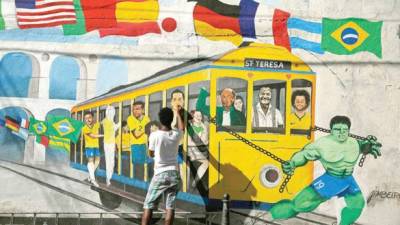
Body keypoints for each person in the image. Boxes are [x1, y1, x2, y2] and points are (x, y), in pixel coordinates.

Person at [270, 115, 382, 225]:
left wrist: (368, 147)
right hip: (330, 180)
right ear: (331, 130)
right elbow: (304, 155)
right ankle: (274, 213)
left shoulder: (354, 143)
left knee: (357, 205)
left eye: (345, 130)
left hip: (348, 181)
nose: (341, 132)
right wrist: (293, 163)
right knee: (300, 205)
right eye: (337, 129)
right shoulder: (322, 144)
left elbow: (364, 147)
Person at [141, 107, 184, 225]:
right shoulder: (176, 134)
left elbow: (150, 154)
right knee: (170, 206)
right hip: (174, 174)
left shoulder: (154, 135)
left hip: (160, 174)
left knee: (148, 204)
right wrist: (179, 114)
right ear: (171, 120)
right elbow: (182, 128)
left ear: (160, 120)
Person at [127, 101, 150, 179]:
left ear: (143, 110)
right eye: (133, 109)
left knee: (146, 166)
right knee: (138, 167)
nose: (135, 111)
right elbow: (136, 134)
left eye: (137, 109)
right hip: (135, 146)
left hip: (145, 145)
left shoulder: (147, 118)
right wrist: (146, 127)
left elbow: (149, 133)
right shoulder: (130, 119)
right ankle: (137, 185)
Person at [187, 110, 209, 188]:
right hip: (193, 150)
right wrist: (199, 145)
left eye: (200, 116)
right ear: (193, 117)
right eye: (196, 116)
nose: (198, 117)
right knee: (206, 163)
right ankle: (196, 181)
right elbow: (188, 142)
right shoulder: (190, 128)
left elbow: (206, 141)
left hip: (203, 150)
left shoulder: (203, 126)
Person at [82, 112, 103, 187]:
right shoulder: (84, 128)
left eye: (89, 117)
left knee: (97, 161)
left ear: (93, 118)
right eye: (86, 118)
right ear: (84, 120)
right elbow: (93, 136)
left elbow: (102, 123)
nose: (88, 120)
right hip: (89, 147)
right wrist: (103, 135)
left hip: (96, 146)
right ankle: (93, 180)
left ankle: (90, 176)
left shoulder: (96, 125)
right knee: (91, 162)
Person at [101, 106, 120, 186]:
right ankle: (108, 178)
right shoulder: (106, 121)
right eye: (110, 112)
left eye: (112, 112)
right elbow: (114, 128)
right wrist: (120, 123)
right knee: (109, 161)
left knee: (111, 161)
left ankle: (109, 177)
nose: (111, 113)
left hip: (111, 143)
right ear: (107, 113)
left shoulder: (110, 121)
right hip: (108, 143)